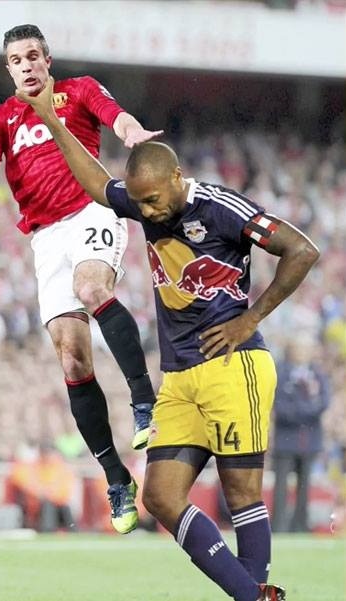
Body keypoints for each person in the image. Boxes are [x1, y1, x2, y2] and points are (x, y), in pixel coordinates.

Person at [18, 78, 321, 601]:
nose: (149, 213)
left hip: (233, 365)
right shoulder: (143, 200)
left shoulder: (221, 207)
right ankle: (255, 596)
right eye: (140, 204)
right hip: (179, 377)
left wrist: (250, 319)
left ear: (177, 178)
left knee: (241, 492)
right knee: (159, 496)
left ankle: (252, 595)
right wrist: (50, 119)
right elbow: (98, 186)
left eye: (154, 201)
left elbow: (302, 250)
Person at [0, 24, 163, 535]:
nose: (26, 65)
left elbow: (116, 118)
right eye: (16, 59)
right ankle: (116, 477)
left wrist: (132, 133)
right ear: (9, 69)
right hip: (45, 238)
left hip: (91, 209)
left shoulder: (78, 91)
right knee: (72, 357)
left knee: (92, 288)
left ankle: (145, 401)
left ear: (47, 60)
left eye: (33, 56)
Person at [271, 335, 330, 533]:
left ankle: (300, 526)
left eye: (305, 349)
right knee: (281, 485)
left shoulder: (317, 373)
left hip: (309, 440)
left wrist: (303, 411)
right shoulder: (280, 372)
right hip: (286, 439)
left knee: (305, 485)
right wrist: (304, 412)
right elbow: (278, 403)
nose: (302, 353)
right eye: (298, 348)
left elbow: (324, 401)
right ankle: (278, 526)